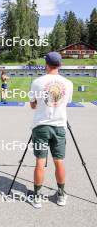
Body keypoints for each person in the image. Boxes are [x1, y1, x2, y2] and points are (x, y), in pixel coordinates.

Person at [29, 51, 73, 209]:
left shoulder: (36, 82)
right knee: (59, 161)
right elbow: (66, 103)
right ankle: (61, 194)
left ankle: (37, 197)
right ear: (60, 65)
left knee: (40, 162)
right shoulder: (68, 83)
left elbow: (33, 105)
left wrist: (39, 104)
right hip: (59, 127)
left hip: (41, 126)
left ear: (46, 64)